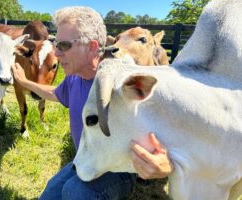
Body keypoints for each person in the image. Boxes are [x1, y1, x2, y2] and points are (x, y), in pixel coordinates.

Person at [11, 6, 173, 200]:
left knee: (76, 192)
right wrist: (24, 82)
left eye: (63, 45)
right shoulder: (74, 78)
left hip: (119, 169)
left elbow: (164, 123)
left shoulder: (123, 83)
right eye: (55, 43)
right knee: (50, 194)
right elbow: (54, 93)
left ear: (93, 47)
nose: (56, 52)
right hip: (86, 159)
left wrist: (167, 163)